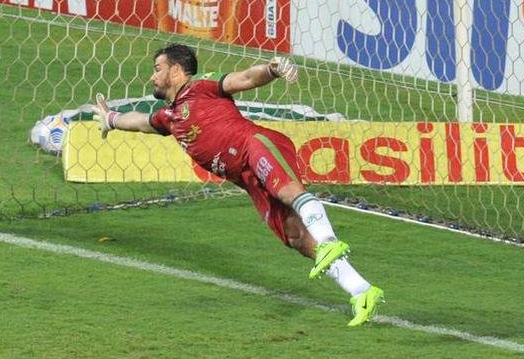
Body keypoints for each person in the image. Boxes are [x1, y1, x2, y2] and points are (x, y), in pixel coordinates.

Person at [94, 43, 384, 327]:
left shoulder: (201, 89)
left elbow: (244, 78)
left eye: (157, 69)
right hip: (246, 179)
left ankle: (330, 241)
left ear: (177, 70)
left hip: (254, 145)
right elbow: (141, 122)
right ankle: (361, 290)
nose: (152, 77)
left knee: (288, 192)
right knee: (296, 237)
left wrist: (272, 69)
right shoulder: (169, 117)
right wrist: (111, 119)